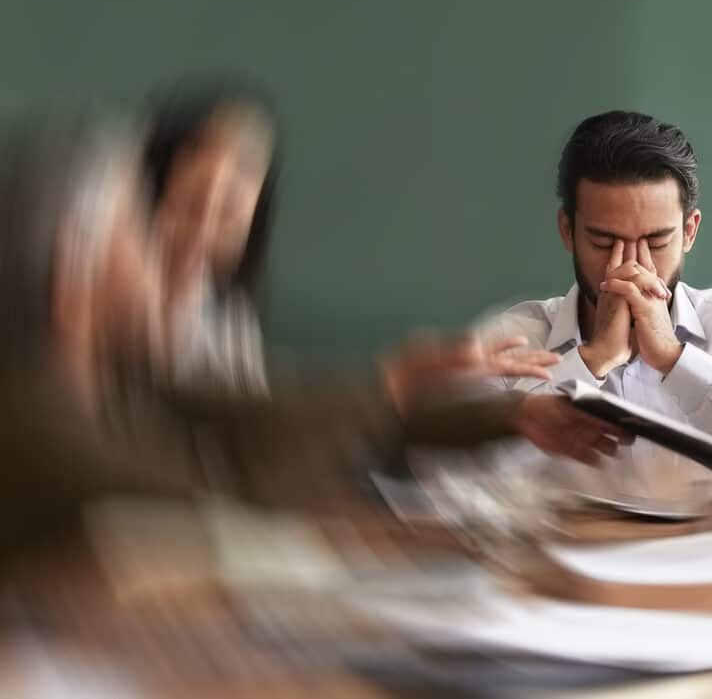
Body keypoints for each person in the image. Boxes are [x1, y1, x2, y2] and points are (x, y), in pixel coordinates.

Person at [0, 115, 628, 554]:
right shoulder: (35, 417)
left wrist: (510, 415)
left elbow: (270, 413)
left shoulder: (127, 375)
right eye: (137, 230)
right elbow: (225, 502)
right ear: (72, 280)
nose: (160, 244)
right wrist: (390, 387)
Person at [473, 110, 712, 502]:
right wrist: (592, 359)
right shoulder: (509, 340)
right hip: (560, 560)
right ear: (568, 231)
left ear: (689, 231)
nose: (632, 266)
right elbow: (451, 478)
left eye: (655, 242)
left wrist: (675, 359)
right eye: (604, 243)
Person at [143, 81, 276, 395]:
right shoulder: (101, 294)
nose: (204, 233)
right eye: (191, 207)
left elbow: (251, 422)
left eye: (228, 216)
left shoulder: (232, 321)